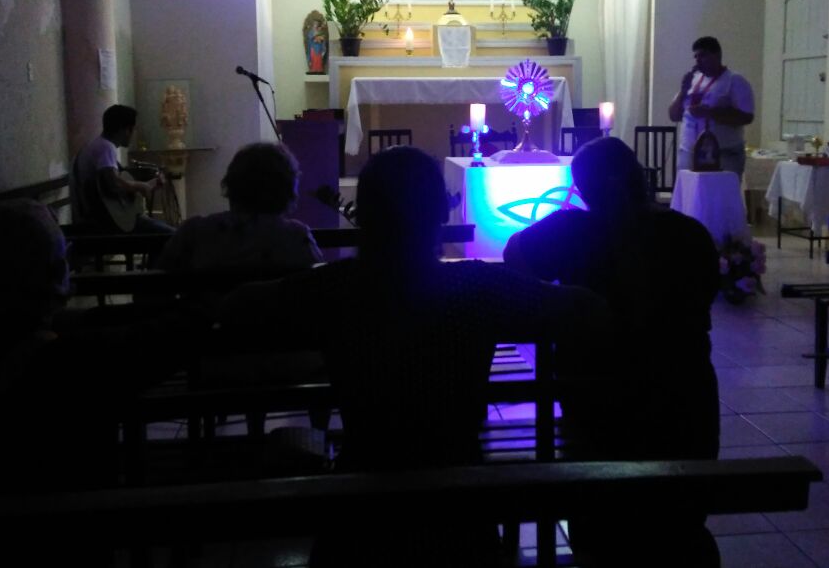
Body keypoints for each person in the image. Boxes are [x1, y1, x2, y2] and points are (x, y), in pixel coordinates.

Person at [219, 146, 609, 567]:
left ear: (364, 215)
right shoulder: (476, 286)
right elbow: (585, 309)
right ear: (440, 213)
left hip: (362, 502)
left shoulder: (335, 289)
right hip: (459, 505)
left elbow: (238, 305)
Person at [503, 136, 721, 566]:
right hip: (686, 410)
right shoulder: (689, 234)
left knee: (601, 527)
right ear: (638, 176)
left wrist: (557, 299)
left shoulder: (571, 230)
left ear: (586, 189)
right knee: (680, 526)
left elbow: (514, 258)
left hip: (599, 411)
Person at [0, 200, 201, 497]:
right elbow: (155, 342)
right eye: (64, 257)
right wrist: (213, 309)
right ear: (55, 274)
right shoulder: (64, 365)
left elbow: (92, 322)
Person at [157, 141, 322, 275]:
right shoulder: (297, 237)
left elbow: (157, 282)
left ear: (231, 183)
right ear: (288, 189)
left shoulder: (194, 233)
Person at [70, 104, 172, 233]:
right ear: (126, 130)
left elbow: (110, 183)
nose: (133, 134)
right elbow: (113, 184)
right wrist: (141, 186)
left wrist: (149, 184)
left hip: (97, 219)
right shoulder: (106, 147)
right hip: (103, 224)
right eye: (133, 130)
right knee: (171, 234)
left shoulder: (96, 145)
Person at [668, 36, 754, 177]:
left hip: (724, 154)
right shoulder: (693, 80)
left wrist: (710, 113)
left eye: (702, 56)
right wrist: (683, 91)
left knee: (720, 191)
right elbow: (673, 116)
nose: (698, 61)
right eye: (696, 57)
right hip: (689, 153)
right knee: (688, 191)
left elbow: (747, 117)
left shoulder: (735, 81)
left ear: (717, 55)